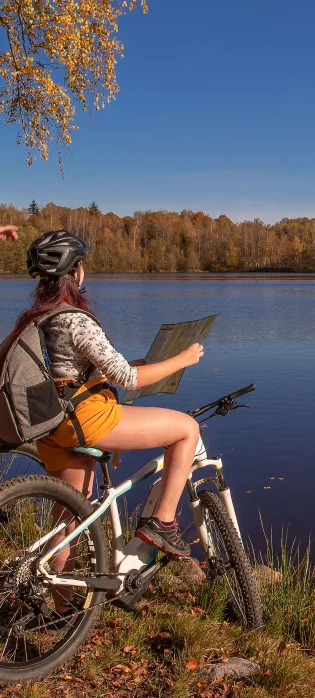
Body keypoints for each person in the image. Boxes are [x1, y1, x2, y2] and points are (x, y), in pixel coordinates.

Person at [5, 229, 202, 559]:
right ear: (75, 271)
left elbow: (80, 369)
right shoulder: (77, 320)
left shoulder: (38, 317)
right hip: (86, 418)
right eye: (81, 265)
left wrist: (148, 362)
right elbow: (127, 379)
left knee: (67, 523)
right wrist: (182, 360)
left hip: (51, 424)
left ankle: (59, 609)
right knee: (187, 430)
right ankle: (162, 522)